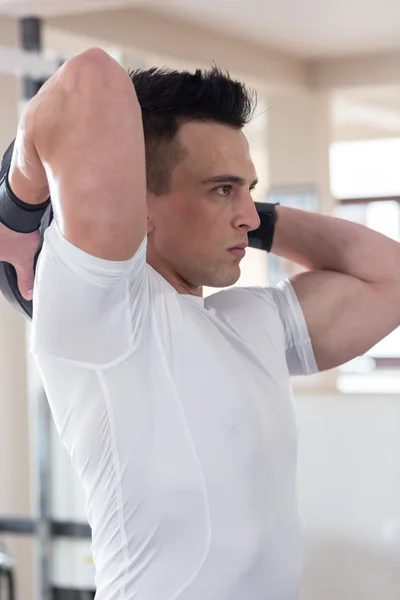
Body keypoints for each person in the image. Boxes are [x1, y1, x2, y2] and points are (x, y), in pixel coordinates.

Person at [2, 48, 400, 599]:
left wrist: (249, 216)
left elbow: (391, 278)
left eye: (248, 191)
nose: (248, 213)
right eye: (221, 189)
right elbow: (90, 79)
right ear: (138, 206)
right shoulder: (104, 311)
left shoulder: (251, 322)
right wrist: (16, 211)